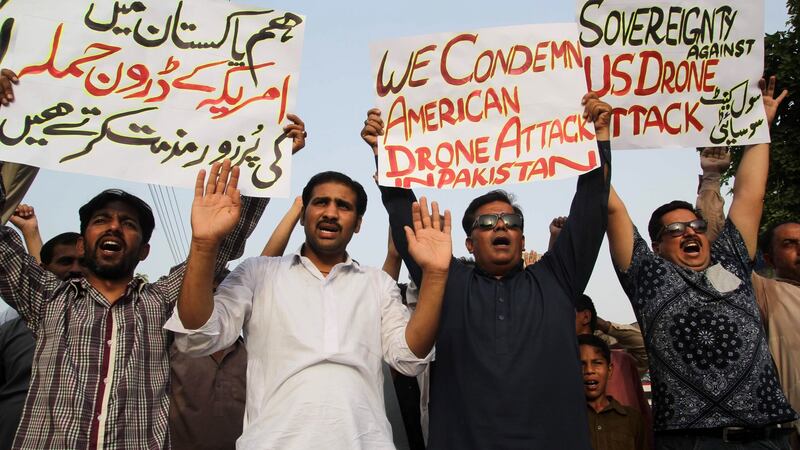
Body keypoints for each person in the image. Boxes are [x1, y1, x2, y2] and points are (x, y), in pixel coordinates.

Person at [361, 92, 613, 449]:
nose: (500, 226)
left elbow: (591, 208)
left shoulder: (557, 279)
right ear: (468, 243)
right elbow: (404, 213)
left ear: (522, 238)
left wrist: (598, 140)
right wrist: (385, 152)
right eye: (487, 222)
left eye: (510, 220)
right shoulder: (444, 281)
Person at [166, 171, 452, 449]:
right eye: (320, 202)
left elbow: (408, 358)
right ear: (302, 216)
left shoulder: (377, 284)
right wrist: (204, 244)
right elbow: (198, 335)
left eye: (343, 206)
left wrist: (436, 274)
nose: (330, 212)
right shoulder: (258, 273)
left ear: (358, 224)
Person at [605, 77, 796, 448]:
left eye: (695, 225)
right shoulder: (648, 275)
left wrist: (759, 127)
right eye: (675, 229)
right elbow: (610, 204)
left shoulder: (732, 260)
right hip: (692, 439)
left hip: (770, 436)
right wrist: (597, 139)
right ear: (656, 245)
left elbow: (749, 195)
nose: (690, 232)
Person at [696, 147, 800, 449]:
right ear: (768, 256)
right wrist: (712, 178)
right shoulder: (765, 292)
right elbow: (718, 249)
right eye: (790, 244)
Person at [580, 334, 647, 450]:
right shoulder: (564, 419)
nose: (589, 370)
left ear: (609, 370)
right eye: (581, 364)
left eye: (597, 363)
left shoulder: (632, 419)